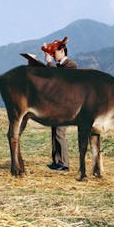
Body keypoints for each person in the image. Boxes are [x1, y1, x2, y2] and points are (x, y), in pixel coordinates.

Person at [44, 39, 78, 171]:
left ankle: (64, 164)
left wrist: (49, 64)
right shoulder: (59, 67)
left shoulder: (71, 66)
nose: (53, 55)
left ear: (62, 51)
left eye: (54, 53)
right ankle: (57, 161)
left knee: (59, 133)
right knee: (54, 133)